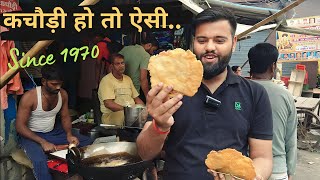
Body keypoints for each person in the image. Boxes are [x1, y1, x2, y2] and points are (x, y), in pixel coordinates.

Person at [136, 7, 273, 180]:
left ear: (234, 42)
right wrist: (159, 127)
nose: (209, 47)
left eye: (219, 40)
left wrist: (255, 176)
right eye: (202, 40)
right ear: (194, 42)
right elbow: (144, 154)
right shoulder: (170, 90)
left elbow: (263, 156)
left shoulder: (255, 93)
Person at [16, 65, 92, 180]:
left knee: (87, 142)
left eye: (60, 84)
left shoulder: (62, 94)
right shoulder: (30, 97)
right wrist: (42, 142)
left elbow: (65, 116)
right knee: (40, 160)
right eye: (54, 84)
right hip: (31, 136)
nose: (58, 87)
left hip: (52, 132)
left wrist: (69, 135)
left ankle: (78, 174)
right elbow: (20, 126)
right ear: (43, 81)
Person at [248, 43, 297, 180]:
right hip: (277, 169)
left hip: (245, 170)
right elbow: (291, 138)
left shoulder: (240, 92)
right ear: (273, 66)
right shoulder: (285, 95)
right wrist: (290, 171)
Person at [98, 53, 144, 126]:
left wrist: (144, 110)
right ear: (111, 66)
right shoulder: (107, 80)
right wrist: (129, 111)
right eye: (117, 64)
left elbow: (136, 98)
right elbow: (108, 104)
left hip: (131, 113)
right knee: (124, 116)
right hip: (112, 115)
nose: (121, 66)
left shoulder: (127, 79)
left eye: (122, 63)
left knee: (145, 114)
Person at [119, 36, 158, 103]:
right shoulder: (145, 55)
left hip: (119, 88)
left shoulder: (125, 49)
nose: (152, 53)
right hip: (134, 91)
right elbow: (143, 79)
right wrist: (148, 96)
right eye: (153, 50)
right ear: (149, 45)